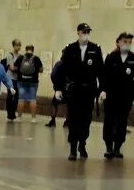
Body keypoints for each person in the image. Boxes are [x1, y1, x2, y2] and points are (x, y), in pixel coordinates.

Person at [56, 23, 104, 160]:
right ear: (78, 33)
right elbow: (61, 71)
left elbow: (101, 71)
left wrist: (102, 90)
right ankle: (73, 148)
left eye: (88, 32)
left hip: (89, 90)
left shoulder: (95, 49)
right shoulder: (70, 49)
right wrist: (58, 88)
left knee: (86, 119)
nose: (86, 34)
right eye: (84, 32)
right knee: (73, 119)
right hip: (74, 90)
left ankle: (82, 143)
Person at [102, 32, 134, 159]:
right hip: (111, 97)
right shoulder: (111, 57)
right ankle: (109, 147)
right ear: (119, 42)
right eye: (125, 41)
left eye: (130, 42)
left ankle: (117, 147)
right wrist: (103, 91)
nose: (127, 44)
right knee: (109, 122)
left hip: (126, 97)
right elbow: (104, 76)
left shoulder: (133, 58)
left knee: (122, 123)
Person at [14, 44, 44, 123]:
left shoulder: (20, 58)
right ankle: (33, 118)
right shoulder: (36, 58)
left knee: (21, 99)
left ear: (25, 49)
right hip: (33, 82)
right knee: (32, 99)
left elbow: (15, 68)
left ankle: (19, 118)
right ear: (33, 50)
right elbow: (41, 70)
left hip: (21, 81)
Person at [2, 38, 23, 121]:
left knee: (17, 96)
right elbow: (12, 68)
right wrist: (20, 68)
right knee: (11, 95)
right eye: (17, 45)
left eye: (19, 45)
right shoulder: (10, 55)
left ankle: (13, 112)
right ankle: (9, 113)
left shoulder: (21, 56)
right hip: (10, 78)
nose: (18, 47)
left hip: (17, 79)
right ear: (13, 46)